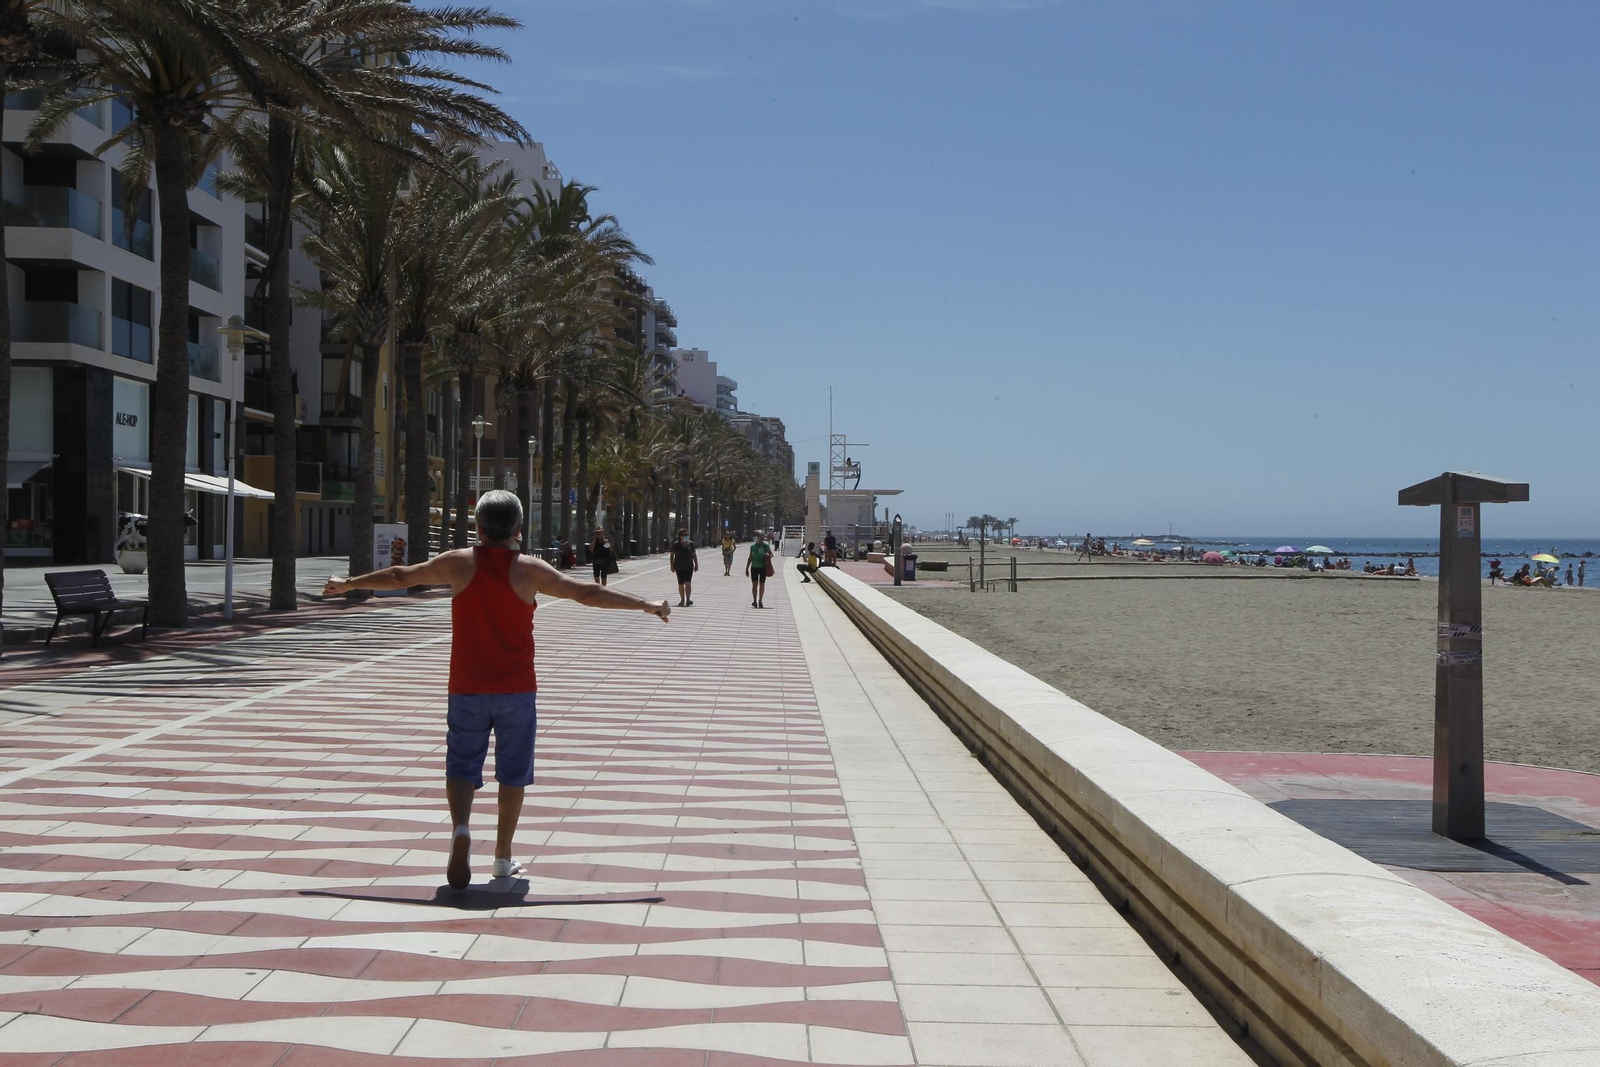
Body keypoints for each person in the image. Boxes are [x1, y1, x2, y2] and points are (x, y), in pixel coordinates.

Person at [323, 490, 670, 890]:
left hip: (466, 686)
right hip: (516, 689)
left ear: (478, 527)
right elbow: (586, 593)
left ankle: (461, 829)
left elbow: (402, 576)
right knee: (513, 773)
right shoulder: (529, 569)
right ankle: (503, 857)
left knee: (461, 764)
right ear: (518, 530)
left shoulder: (458, 562)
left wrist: (348, 584)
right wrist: (646, 604)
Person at [670, 528, 698, 607]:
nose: (686, 536)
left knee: (688, 583)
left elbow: (694, 555)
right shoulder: (676, 544)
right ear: (680, 536)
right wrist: (672, 566)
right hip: (679, 566)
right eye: (684, 535)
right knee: (681, 584)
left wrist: (696, 564)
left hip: (689, 566)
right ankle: (682, 599)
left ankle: (688, 599)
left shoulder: (690, 544)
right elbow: (672, 555)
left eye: (687, 535)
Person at [747, 531, 773, 608]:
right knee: (754, 584)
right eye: (757, 536)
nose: (758, 538)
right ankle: (754, 600)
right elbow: (750, 558)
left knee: (762, 584)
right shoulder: (752, 547)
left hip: (763, 567)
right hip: (754, 567)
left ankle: (760, 601)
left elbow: (771, 554)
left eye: (759, 536)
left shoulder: (765, 546)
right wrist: (747, 568)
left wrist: (768, 555)